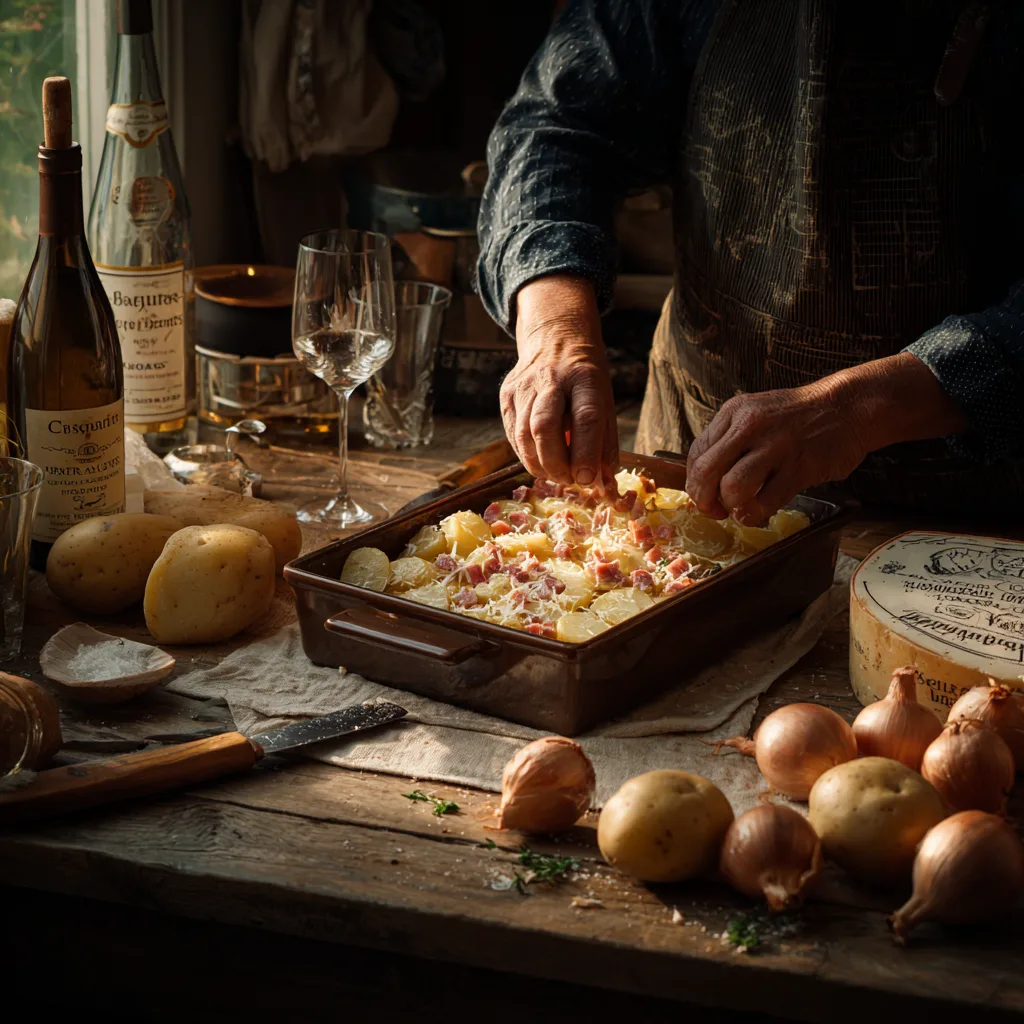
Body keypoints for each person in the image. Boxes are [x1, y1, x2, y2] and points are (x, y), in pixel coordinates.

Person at [476, 0, 1024, 522]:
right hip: (696, 448)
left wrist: (856, 409)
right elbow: (556, 126)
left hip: (977, 512)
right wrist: (554, 326)